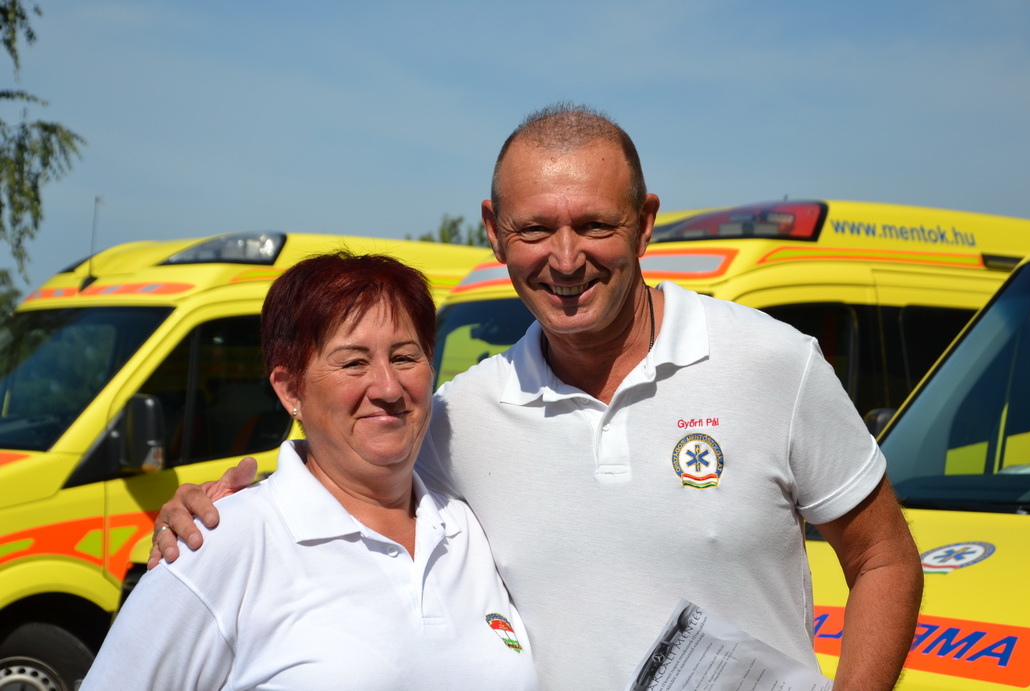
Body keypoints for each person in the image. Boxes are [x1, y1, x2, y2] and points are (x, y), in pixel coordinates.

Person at [154, 104, 923, 690]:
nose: (565, 258)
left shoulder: (771, 363)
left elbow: (884, 559)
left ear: (644, 224)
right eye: (534, 229)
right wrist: (220, 513)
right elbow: (344, 469)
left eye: (593, 224)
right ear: (493, 231)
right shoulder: (456, 420)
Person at [82, 252, 538, 690]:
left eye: (404, 357)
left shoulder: (470, 532)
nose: (387, 387)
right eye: (353, 362)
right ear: (290, 390)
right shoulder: (221, 545)